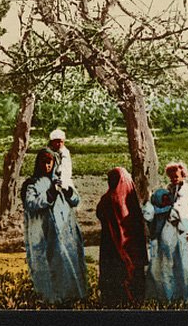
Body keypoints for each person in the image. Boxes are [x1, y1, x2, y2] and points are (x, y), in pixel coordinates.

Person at [21, 148, 88, 305]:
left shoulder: (61, 180)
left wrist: (67, 190)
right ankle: (53, 299)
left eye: (49, 162)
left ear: (54, 163)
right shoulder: (32, 184)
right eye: (43, 162)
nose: (47, 166)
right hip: (45, 233)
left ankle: (72, 296)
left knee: (69, 261)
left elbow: (76, 200)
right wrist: (50, 193)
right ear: (38, 163)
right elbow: (31, 203)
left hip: (65, 231)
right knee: (51, 263)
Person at [96, 166, 148, 306]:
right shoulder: (131, 200)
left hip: (110, 243)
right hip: (130, 245)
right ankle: (133, 298)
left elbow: (99, 213)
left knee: (113, 271)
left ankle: (112, 298)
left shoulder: (107, 198)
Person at [143, 185, 188, 303]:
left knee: (170, 268)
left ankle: (173, 294)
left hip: (170, 244)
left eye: (167, 199)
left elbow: (183, 226)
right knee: (161, 268)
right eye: (163, 200)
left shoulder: (171, 211)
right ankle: (164, 294)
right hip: (160, 245)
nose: (165, 202)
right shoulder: (155, 211)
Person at [46, 128, 73, 192]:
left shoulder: (65, 152)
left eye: (61, 142)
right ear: (52, 142)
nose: (60, 144)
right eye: (57, 142)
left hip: (63, 178)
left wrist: (62, 181)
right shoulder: (47, 152)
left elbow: (66, 169)